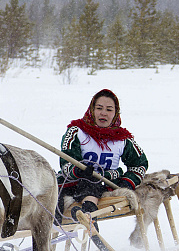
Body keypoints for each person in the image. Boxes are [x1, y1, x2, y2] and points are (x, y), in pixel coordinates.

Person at [55, 89, 148, 224]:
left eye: (109, 110)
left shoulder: (122, 139)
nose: (103, 113)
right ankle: (84, 215)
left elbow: (140, 164)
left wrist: (127, 182)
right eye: (99, 108)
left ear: (116, 114)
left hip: (105, 184)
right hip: (74, 183)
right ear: (92, 110)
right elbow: (66, 162)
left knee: (94, 182)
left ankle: (89, 215)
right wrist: (78, 170)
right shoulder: (76, 131)